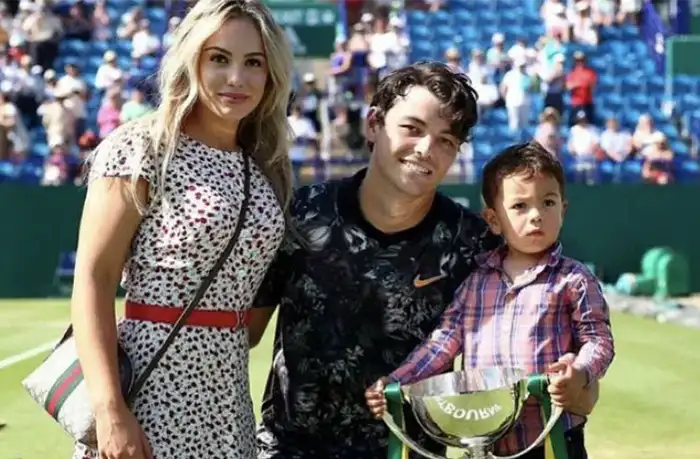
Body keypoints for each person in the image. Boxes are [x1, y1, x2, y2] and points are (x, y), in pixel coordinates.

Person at [253, 63, 599, 459]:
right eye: (412, 128)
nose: (426, 149)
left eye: (445, 140)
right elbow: (242, 332)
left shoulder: (475, 243)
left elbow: (562, 358)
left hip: (411, 451)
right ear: (373, 125)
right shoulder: (300, 214)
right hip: (289, 451)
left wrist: (580, 389)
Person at [69, 0, 293, 458]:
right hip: (150, 393)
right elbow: (93, 279)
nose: (237, 78)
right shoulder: (142, 146)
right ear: (192, 59)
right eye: (219, 59)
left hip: (229, 398)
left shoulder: (266, 165)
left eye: (254, 63)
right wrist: (110, 412)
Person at [366, 141, 615, 459]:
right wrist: (395, 383)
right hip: (482, 441)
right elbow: (442, 345)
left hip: (553, 440)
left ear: (563, 210)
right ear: (494, 220)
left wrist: (579, 373)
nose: (536, 215)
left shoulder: (574, 279)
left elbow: (598, 341)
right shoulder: (474, 283)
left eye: (548, 202)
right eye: (520, 206)